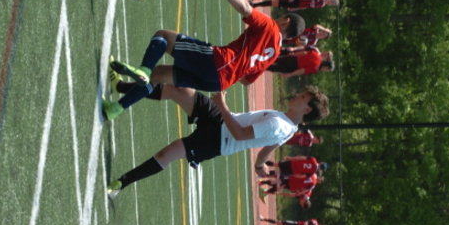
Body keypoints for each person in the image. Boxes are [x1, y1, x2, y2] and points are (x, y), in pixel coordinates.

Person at [102, 0, 306, 121]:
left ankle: (143, 70)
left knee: (163, 36)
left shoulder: (269, 26)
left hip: (218, 62)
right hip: (217, 83)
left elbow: (245, 8)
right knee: (159, 75)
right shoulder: (274, 54)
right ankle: (115, 108)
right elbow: (246, 81)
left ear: (286, 20)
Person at [105, 85, 330, 199]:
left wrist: (222, 105)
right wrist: (259, 165)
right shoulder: (290, 126)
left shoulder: (278, 125)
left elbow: (240, 134)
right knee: (179, 90)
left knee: (166, 154)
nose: (297, 95)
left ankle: (121, 183)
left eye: (302, 98)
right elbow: (269, 148)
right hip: (219, 120)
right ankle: (122, 88)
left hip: (217, 140)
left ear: (306, 110)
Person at [267, 48, 334, 79]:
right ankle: (261, 66)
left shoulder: (316, 53)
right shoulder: (316, 68)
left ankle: (262, 57)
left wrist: (294, 54)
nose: (325, 71)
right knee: (274, 68)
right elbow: (302, 70)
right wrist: (290, 74)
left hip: (294, 58)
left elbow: (304, 53)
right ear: (326, 67)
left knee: (276, 59)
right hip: (294, 66)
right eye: (327, 70)